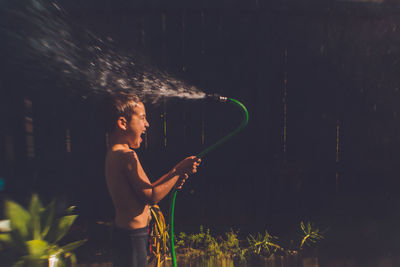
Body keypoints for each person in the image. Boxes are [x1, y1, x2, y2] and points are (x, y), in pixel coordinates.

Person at [104, 92, 201, 267]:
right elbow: (151, 196)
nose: (147, 124)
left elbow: (146, 189)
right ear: (122, 123)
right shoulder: (126, 155)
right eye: (142, 118)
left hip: (124, 234)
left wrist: (174, 171)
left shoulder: (114, 152)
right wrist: (179, 171)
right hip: (133, 238)